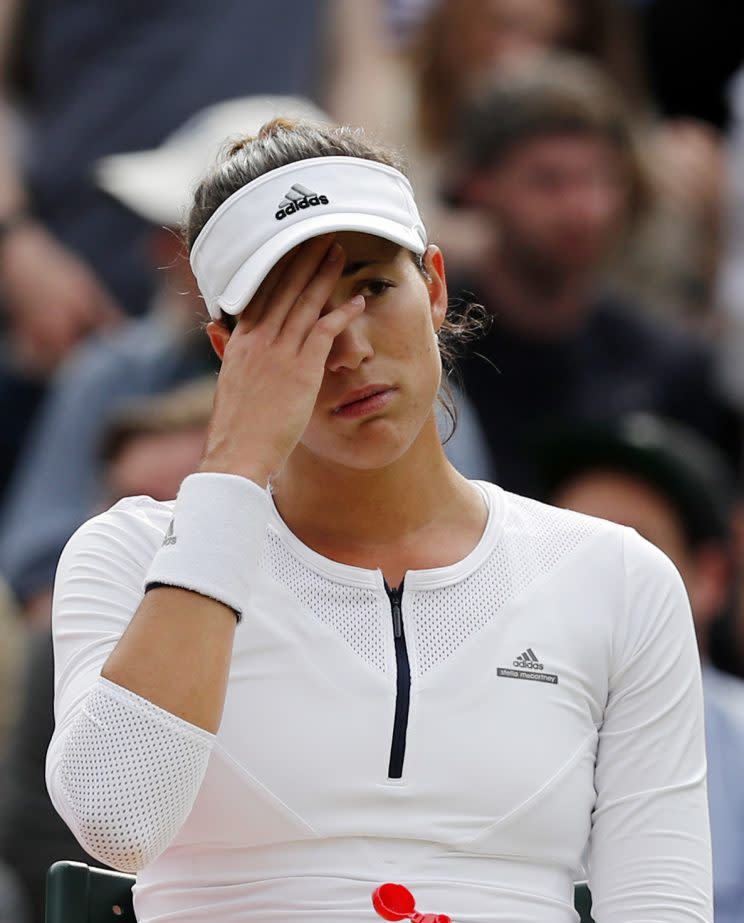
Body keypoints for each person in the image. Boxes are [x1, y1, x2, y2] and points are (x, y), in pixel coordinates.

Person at [46, 118, 711, 922]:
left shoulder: (621, 577)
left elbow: (660, 904)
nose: (348, 345)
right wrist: (232, 467)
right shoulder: (128, 553)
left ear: (433, 285)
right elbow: (118, 820)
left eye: (369, 286)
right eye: (292, 316)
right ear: (228, 348)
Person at [451, 54, 739, 495]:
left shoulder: (667, 366)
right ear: (479, 186)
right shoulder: (429, 345)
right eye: (548, 181)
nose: (582, 209)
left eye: (600, 179)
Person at [534, 412, 744, 923]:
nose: (590, 576)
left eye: (637, 549)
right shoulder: (481, 716)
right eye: (564, 547)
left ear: (710, 578)